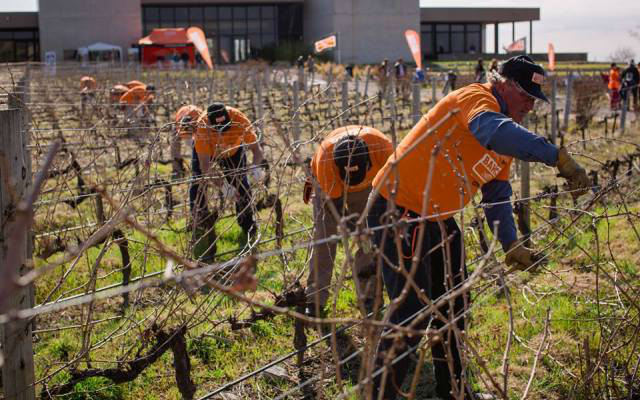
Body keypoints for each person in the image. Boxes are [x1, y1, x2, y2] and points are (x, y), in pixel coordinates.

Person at [367, 55, 591, 399]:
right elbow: (492, 130)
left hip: (439, 218)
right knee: (410, 311)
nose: (531, 106)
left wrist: (510, 243)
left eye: (536, 100)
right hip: (400, 210)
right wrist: (556, 156)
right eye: (527, 97)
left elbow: (496, 191)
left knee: (455, 304)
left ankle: (454, 391)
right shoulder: (477, 99)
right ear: (504, 84)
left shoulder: (504, 136)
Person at [304, 125, 393, 318]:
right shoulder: (325, 160)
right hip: (329, 186)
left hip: (369, 186)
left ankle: (370, 297)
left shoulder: (382, 147)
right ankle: (315, 299)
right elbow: (335, 211)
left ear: (368, 162)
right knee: (324, 240)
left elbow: (394, 184)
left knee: (368, 240)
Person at [193, 103, 265, 246]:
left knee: (242, 185)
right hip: (208, 153)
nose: (221, 133)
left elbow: (257, 150)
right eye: (217, 129)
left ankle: (247, 225)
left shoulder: (239, 119)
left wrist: (256, 168)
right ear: (209, 122)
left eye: (225, 128)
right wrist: (224, 186)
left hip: (233, 152)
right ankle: (199, 221)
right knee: (198, 182)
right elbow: (205, 166)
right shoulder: (202, 126)